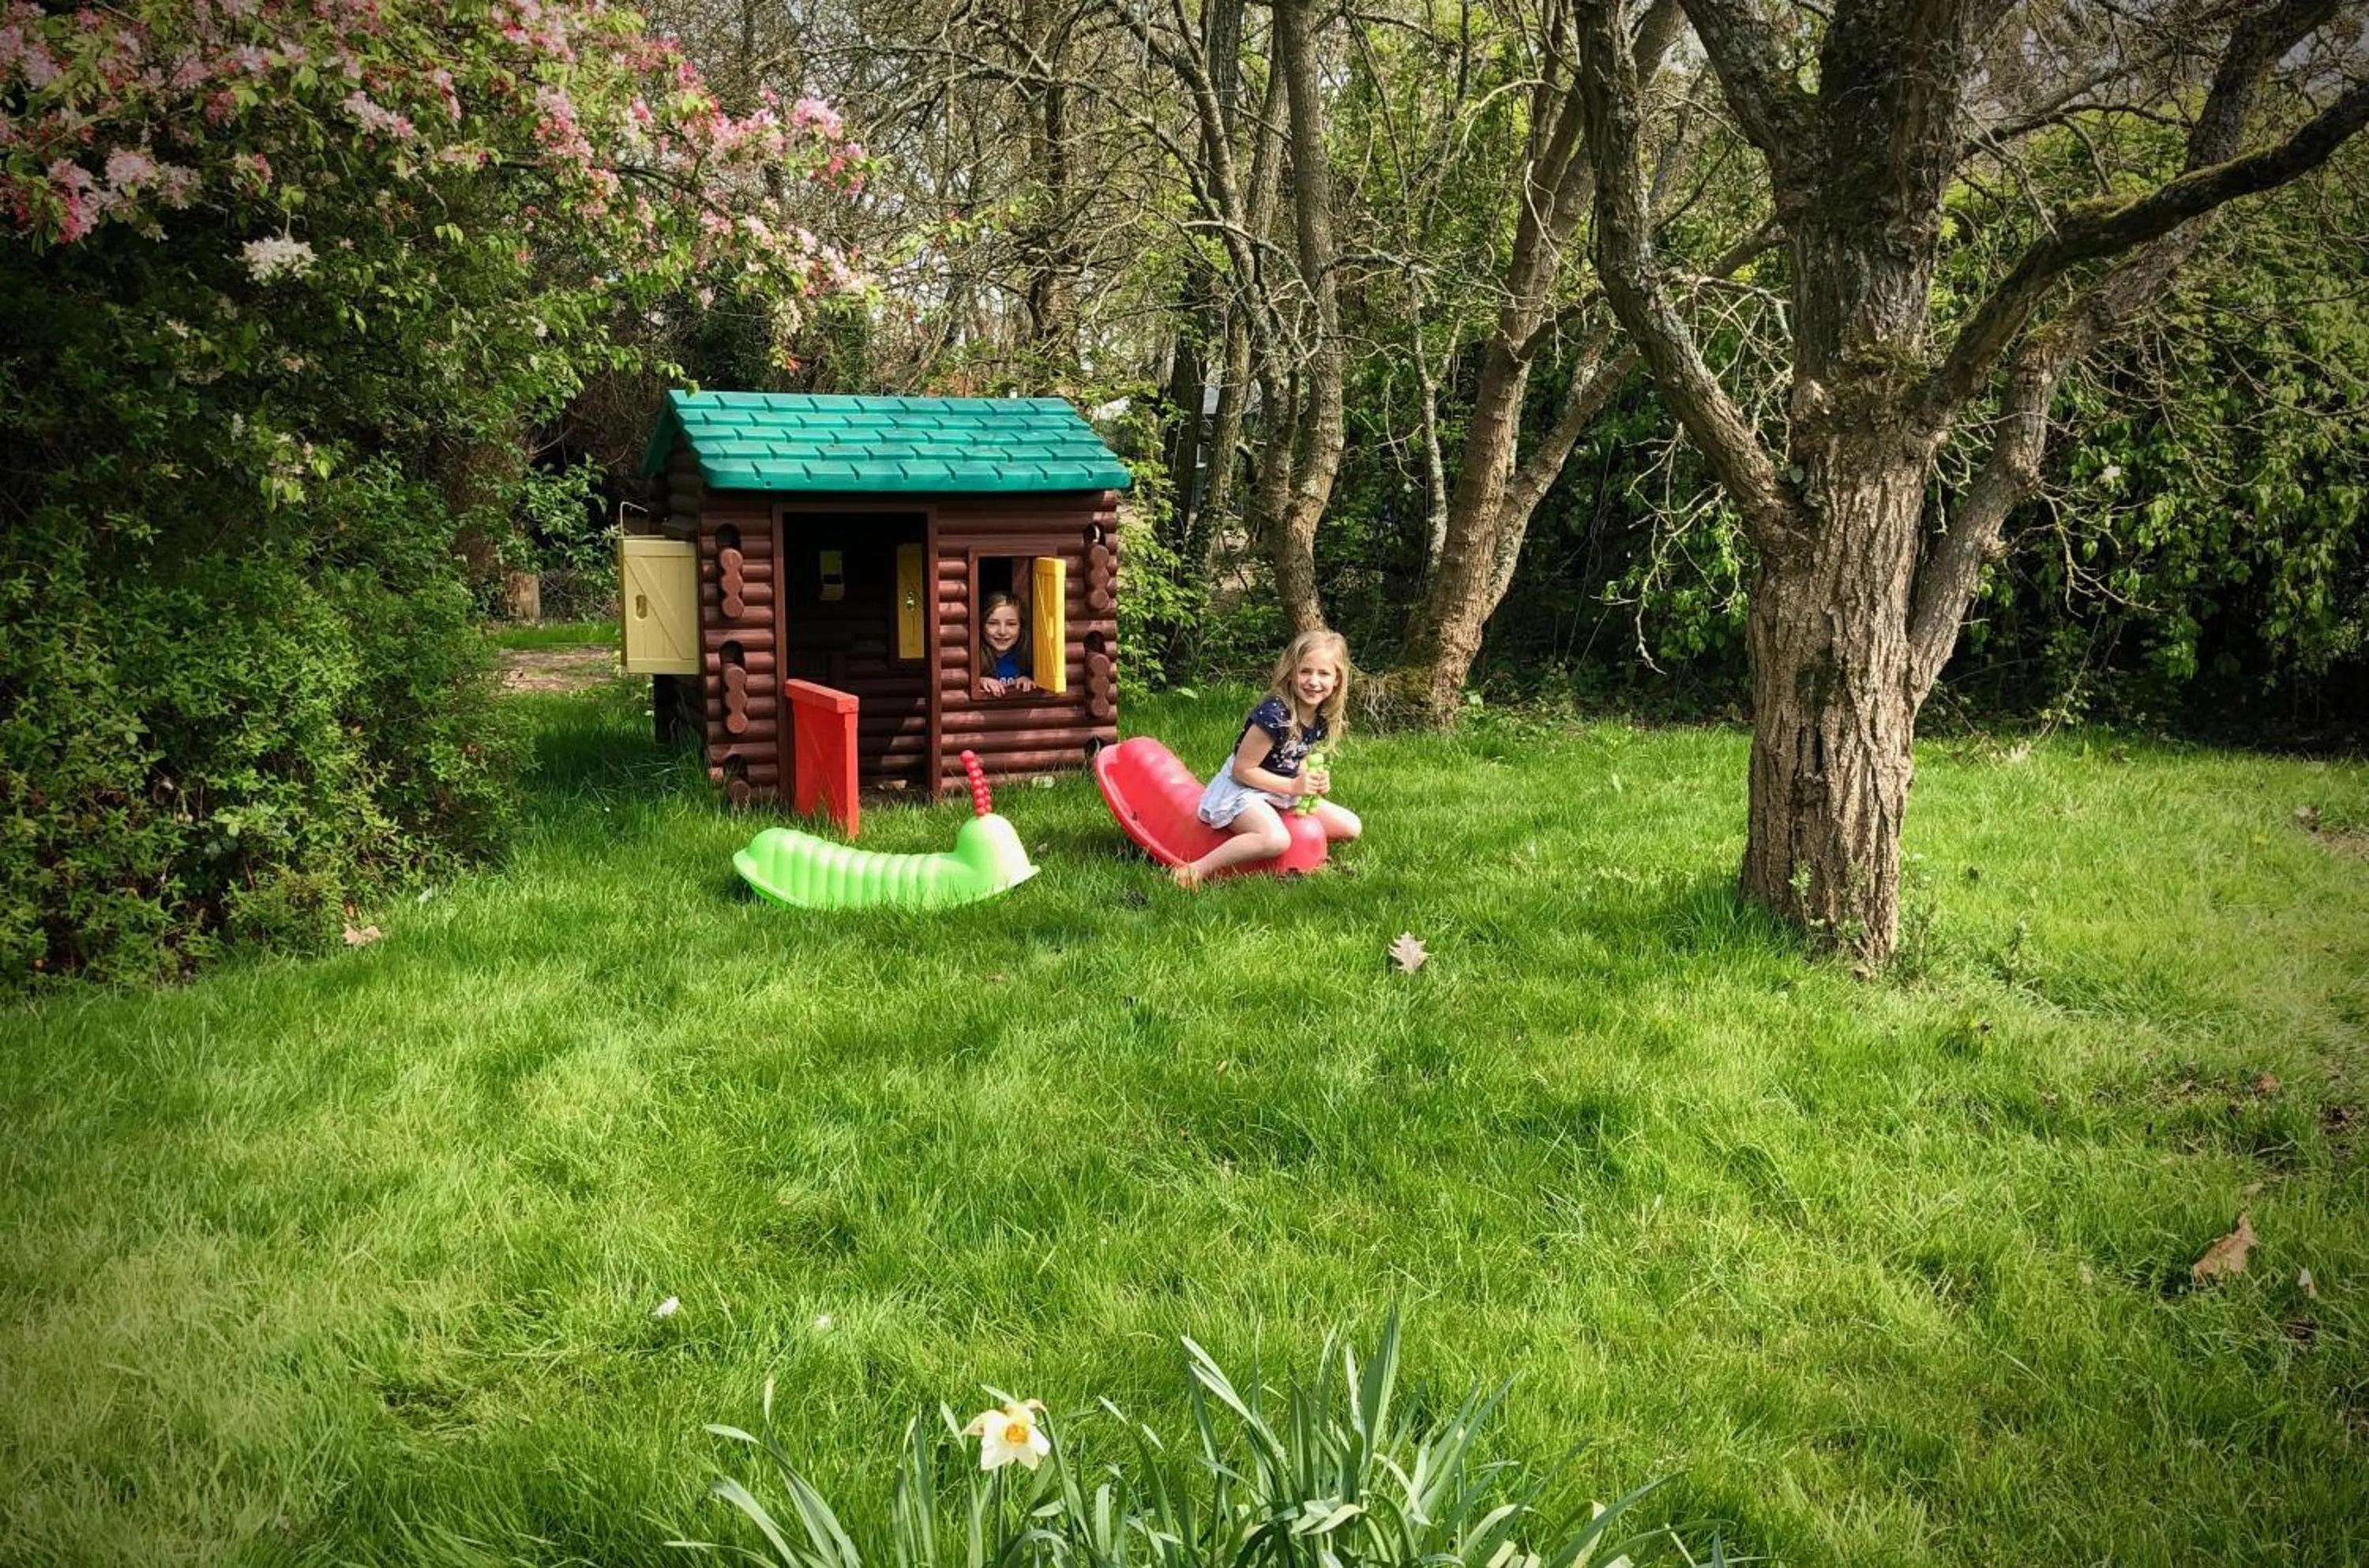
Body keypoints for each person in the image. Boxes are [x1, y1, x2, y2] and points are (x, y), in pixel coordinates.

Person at [1173, 629, 1362, 887]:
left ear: (1337, 679)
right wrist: (1293, 786)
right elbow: (1243, 770)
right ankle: (1193, 870)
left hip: (1278, 791)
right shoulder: (1274, 716)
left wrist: (1310, 778)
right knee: (1275, 840)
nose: (1313, 681)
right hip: (1242, 790)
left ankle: (1299, 850)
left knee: (1351, 827)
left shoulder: (1319, 716)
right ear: (1291, 673)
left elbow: (1295, 756)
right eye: (1305, 671)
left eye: (1324, 674)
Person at [979, 591, 1036, 696]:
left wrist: (1027, 679)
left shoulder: (1028, 657)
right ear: (981, 627)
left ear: (1021, 627)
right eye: (993, 623)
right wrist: (979, 681)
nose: (1002, 632)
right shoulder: (974, 659)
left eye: (1011, 624)